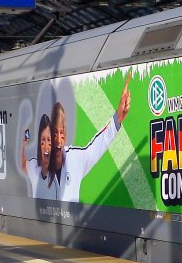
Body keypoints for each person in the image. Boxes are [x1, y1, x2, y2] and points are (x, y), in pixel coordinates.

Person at [50, 73, 131, 202]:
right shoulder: (40, 164)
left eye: (61, 133)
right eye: (54, 134)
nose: (59, 140)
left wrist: (118, 117)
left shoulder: (74, 158)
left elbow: (97, 145)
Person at [22, 114, 55, 198]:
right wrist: (23, 144)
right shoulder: (34, 167)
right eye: (43, 140)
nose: (46, 146)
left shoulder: (59, 169)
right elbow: (22, 165)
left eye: (49, 140)